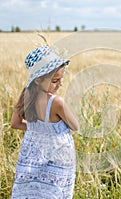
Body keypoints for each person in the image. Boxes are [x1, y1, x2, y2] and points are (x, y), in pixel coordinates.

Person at [10, 45, 78, 199]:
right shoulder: (57, 102)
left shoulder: (25, 96)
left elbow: (15, 124)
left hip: (30, 161)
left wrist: (38, 130)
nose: (60, 84)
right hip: (57, 160)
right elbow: (75, 126)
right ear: (38, 79)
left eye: (61, 79)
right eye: (55, 80)